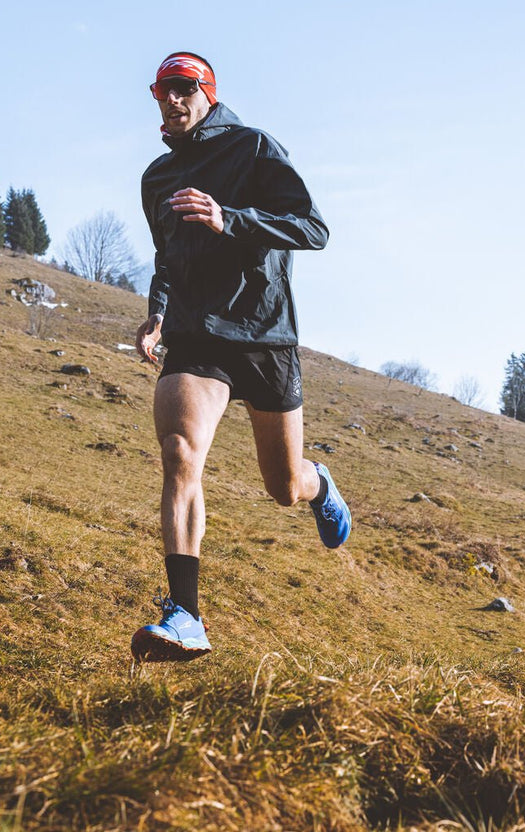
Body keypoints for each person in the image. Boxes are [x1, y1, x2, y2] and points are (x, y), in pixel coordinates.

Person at [131, 51, 352, 663]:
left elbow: (312, 227)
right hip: (197, 336)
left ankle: (320, 482)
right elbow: (168, 259)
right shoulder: (156, 179)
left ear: (206, 92)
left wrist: (232, 219)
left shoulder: (253, 148)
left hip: (264, 335)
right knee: (178, 453)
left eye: (182, 87)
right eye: (160, 90)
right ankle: (186, 616)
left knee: (282, 487)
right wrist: (157, 312)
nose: (171, 99)